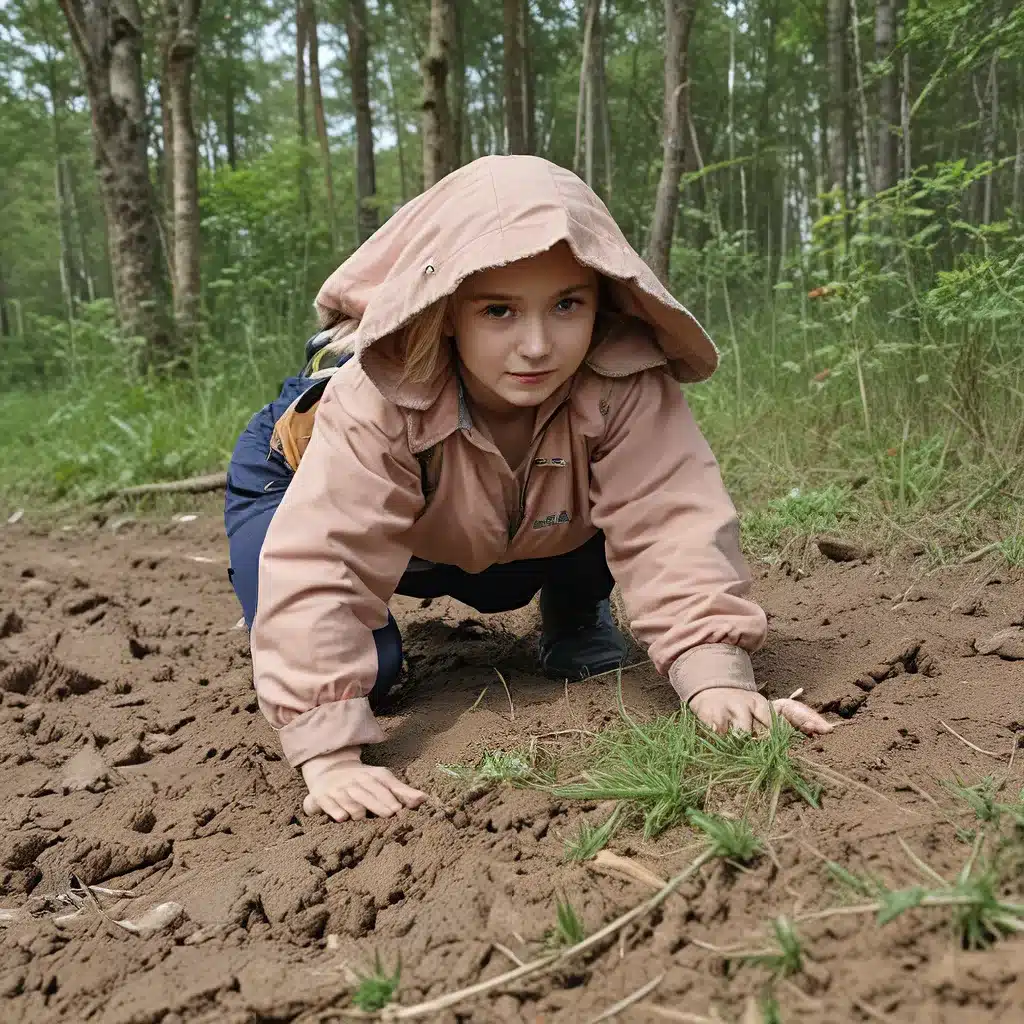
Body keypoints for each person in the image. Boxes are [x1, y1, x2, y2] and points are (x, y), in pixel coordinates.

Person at [224, 155, 832, 825]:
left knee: (580, 527)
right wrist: (329, 754)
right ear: (449, 310)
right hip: (299, 480)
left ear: (603, 299)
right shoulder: (381, 397)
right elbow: (325, 554)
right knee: (375, 675)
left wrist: (715, 677)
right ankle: (321, 657)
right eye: (499, 311)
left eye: (567, 304)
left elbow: (668, 518)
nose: (537, 345)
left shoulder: (623, 381)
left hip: (503, 520)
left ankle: (574, 613)